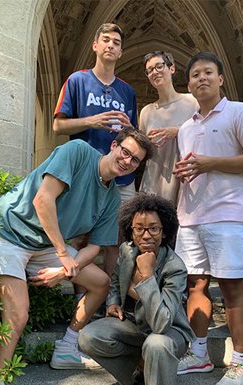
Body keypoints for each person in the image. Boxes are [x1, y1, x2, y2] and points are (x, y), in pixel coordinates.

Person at [0, 127, 154, 385]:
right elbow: (43, 200)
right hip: (8, 233)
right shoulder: (78, 153)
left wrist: (63, 271)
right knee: (18, 315)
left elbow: (95, 249)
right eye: (124, 151)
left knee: (99, 282)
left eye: (135, 160)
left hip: (44, 247)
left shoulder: (112, 198)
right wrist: (62, 254)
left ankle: (68, 346)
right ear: (113, 146)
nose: (127, 160)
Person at [173, 52, 243, 385]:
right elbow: (193, 168)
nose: (202, 78)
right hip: (191, 218)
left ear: (220, 79)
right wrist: (183, 174)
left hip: (229, 216)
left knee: (231, 288)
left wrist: (210, 162)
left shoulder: (240, 112)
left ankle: (241, 362)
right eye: (195, 74)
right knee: (195, 286)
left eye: (208, 72)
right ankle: (199, 353)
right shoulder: (185, 128)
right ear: (188, 85)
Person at [78, 193, 195, 385]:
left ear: (164, 230)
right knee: (89, 336)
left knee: (156, 344)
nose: (145, 235)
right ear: (130, 229)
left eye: (153, 228)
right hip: (134, 327)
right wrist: (113, 303)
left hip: (169, 335)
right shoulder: (127, 251)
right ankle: (138, 371)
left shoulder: (175, 266)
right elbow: (117, 279)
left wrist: (146, 277)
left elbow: (162, 322)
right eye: (139, 228)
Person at [53, 22, 138, 276]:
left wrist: (129, 127)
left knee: (117, 240)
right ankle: (82, 294)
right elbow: (58, 125)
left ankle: (113, 298)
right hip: (85, 175)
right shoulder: (77, 81)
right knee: (82, 237)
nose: (111, 45)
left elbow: (132, 135)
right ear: (95, 45)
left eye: (117, 43)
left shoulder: (127, 91)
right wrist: (92, 121)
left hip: (122, 177)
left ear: (121, 51)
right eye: (106, 40)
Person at [139, 51, 198, 206]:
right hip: (154, 183)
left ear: (172, 69)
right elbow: (141, 152)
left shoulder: (193, 102)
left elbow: (206, 133)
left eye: (159, 66)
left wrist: (178, 131)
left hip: (186, 184)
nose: (155, 72)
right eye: (150, 70)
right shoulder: (146, 112)